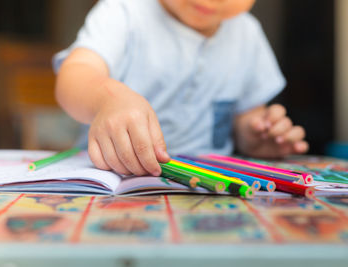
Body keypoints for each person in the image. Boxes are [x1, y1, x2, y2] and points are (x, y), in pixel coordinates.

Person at [53, 0, 309, 178]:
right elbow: (75, 75)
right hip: (113, 177)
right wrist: (107, 99)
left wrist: (256, 136)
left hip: (208, 185)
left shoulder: (247, 32)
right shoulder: (124, 10)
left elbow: (246, 116)